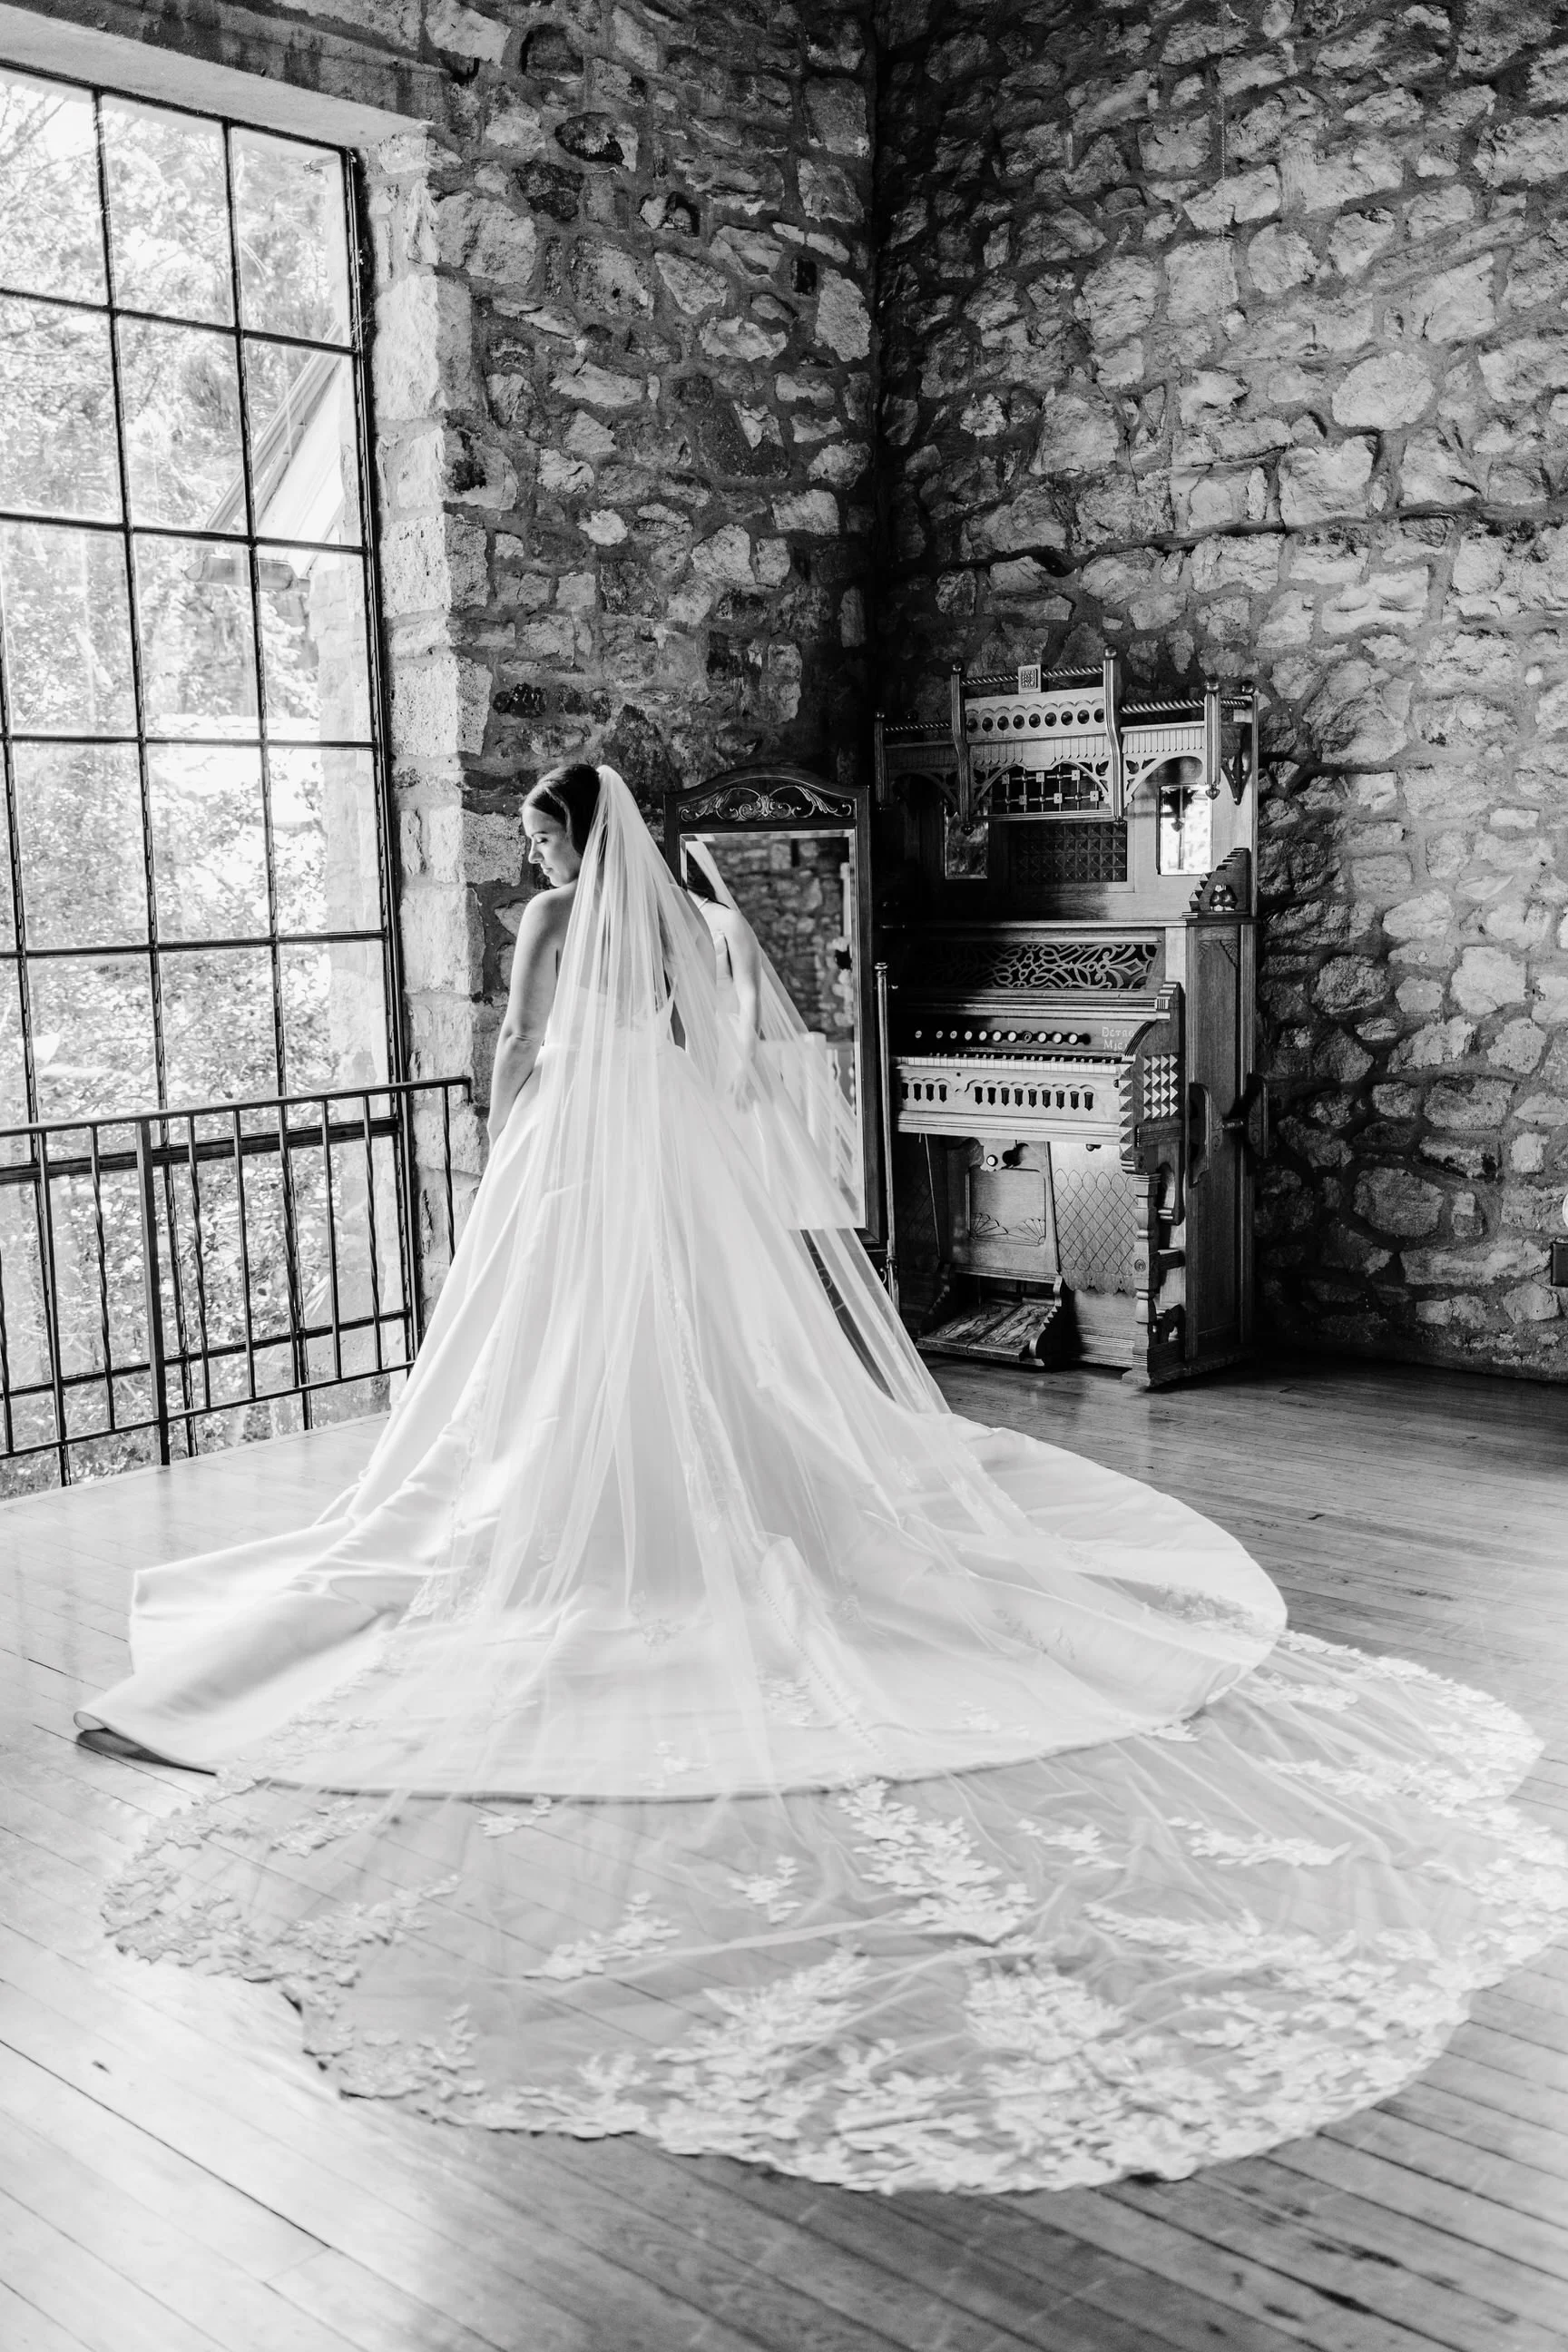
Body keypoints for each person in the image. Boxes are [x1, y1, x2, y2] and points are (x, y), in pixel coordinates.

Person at [79, 763, 1568, 2197]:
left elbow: (521, 1049)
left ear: (568, 843)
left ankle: (588, 1504)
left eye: (540, 838)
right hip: (670, 1147)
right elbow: (729, 1059)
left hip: (575, 1154)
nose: (533, 860)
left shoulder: (550, 925)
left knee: (560, 1341)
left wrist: (498, 1131)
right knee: (703, 1339)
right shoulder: (694, 916)